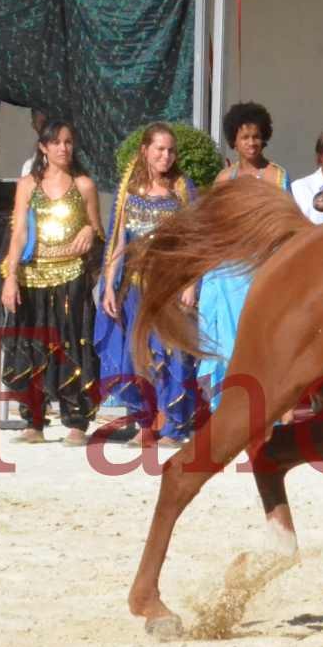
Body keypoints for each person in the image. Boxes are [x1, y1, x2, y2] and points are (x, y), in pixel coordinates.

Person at [0, 119, 104, 445]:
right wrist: (10, 278)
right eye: (56, 142)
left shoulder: (84, 184)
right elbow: (18, 234)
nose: (63, 148)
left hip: (71, 277)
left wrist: (89, 231)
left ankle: (76, 421)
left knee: (73, 347)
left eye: (68, 142)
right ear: (43, 147)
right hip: (32, 278)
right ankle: (34, 422)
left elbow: (99, 233)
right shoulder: (27, 185)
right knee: (31, 347)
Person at [93, 122, 198, 446]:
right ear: (145, 151)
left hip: (169, 287)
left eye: (170, 150)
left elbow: (195, 241)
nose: (166, 156)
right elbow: (116, 240)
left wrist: (191, 284)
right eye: (159, 150)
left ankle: (174, 426)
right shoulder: (129, 190)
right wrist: (109, 286)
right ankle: (144, 426)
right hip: (135, 288)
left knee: (173, 354)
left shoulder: (183, 188)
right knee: (138, 355)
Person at [199, 102, 290, 408]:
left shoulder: (278, 176)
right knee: (227, 341)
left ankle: (265, 407)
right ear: (233, 141)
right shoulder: (225, 179)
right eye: (244, 137)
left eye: (256, 136)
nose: (251, 142)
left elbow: (286, 223)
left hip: (265, 269)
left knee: (263, 339)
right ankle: (229, 407)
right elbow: (212, 226)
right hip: (227, 273)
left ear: (264, 137)